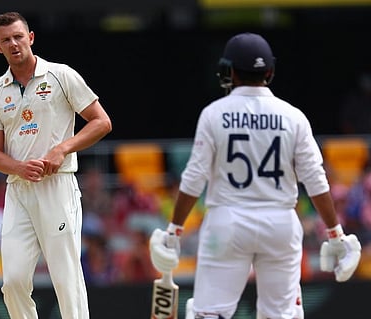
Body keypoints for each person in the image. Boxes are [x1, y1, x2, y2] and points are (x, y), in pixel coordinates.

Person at [149, 32, 362, 319]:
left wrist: (174, 230)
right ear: (270, 72)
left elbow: (194, 178)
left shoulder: (214, 114)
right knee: (280, 315)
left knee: (209, 313)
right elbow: (315, 179)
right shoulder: (293, 116)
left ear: (229, 71)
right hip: (280, 224)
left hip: (227, 223)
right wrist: (335, 234)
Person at [0, 12, 112, 319]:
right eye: (6, 40)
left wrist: (62, 149)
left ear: (31, 38)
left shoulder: (61, 75)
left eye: (18, 37)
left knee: (66, 276)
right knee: (12, 281)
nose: (13, 44)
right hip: (19, 189)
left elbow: (102, 122)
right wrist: (19, 168)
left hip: (58, 185)